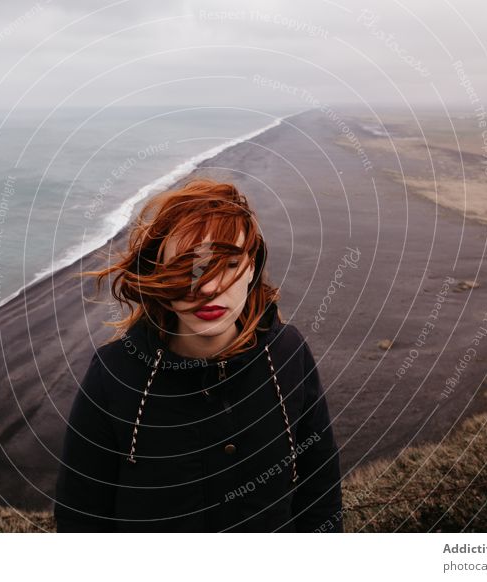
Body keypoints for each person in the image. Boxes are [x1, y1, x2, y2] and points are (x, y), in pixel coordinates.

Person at [54, 178, 343, 532]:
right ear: (158, 270)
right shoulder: (114, 374)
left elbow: (320, 493)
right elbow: (81, 518)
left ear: (252, 268)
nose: (207, 287)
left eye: (230, 264)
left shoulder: (288, 354)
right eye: (186, 266)